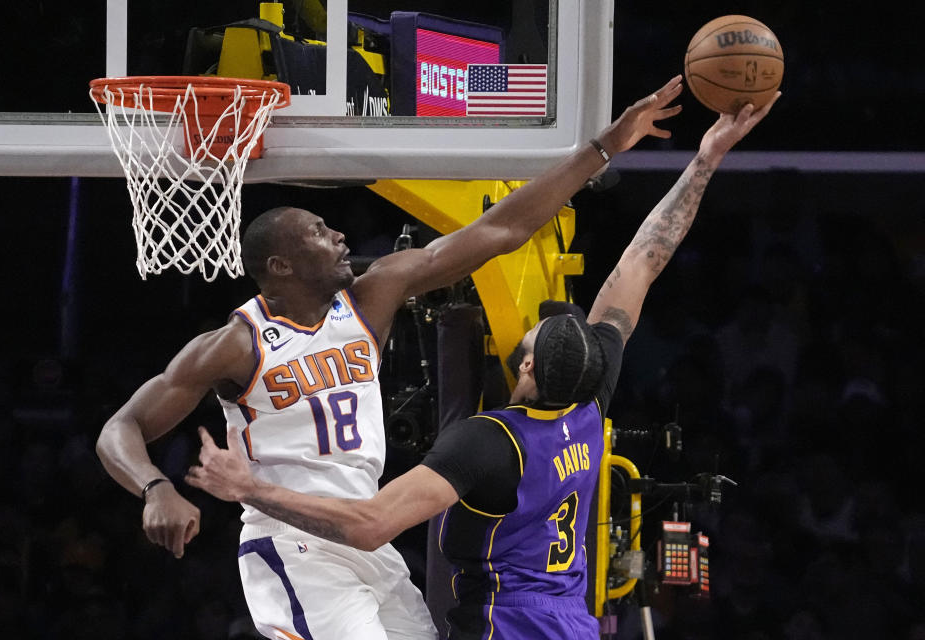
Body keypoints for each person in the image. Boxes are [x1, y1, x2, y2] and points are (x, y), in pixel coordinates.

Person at [95, 77, 687, 640]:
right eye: (321, 232)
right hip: (293, 542)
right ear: (280, 266)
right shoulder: (238, 343)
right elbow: (120, 428)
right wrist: (154, 488)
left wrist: (605, 147)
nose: (341, 237)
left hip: (366, 538)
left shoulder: (372, 297)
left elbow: (500, 230)